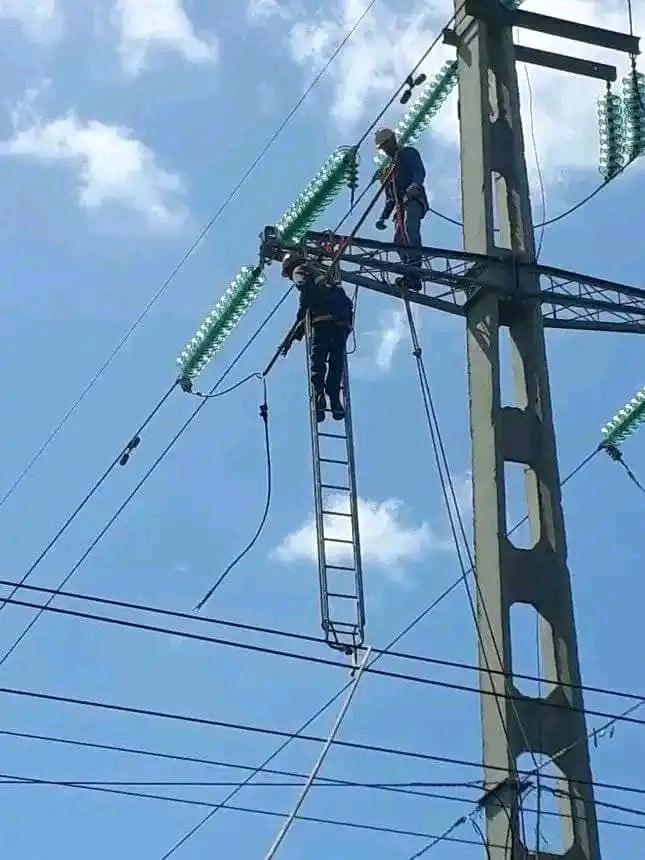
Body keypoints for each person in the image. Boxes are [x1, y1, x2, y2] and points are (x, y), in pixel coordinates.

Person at [280, 253, 353, 423]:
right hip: (340, 323)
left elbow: (306, 291)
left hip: (323, 322)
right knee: (336, 363)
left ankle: (319, 397)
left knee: (318, 363)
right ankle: (334, 400)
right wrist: (294, 337)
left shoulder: (299, 271)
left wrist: (300, 318)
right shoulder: (320, 271)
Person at [374, 128, 429, 291]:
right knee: (398, 241)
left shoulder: (407, 153)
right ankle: (410, 274)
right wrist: (383, 217)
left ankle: (415, 266)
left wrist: (415, 185)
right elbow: (390, 198)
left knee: (410, 227)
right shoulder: (389, 171)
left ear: (393, 140)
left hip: (412, 199)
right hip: (400, 208)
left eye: (386, 144)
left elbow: (419, 171)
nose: (385, 149)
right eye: (383, 147)